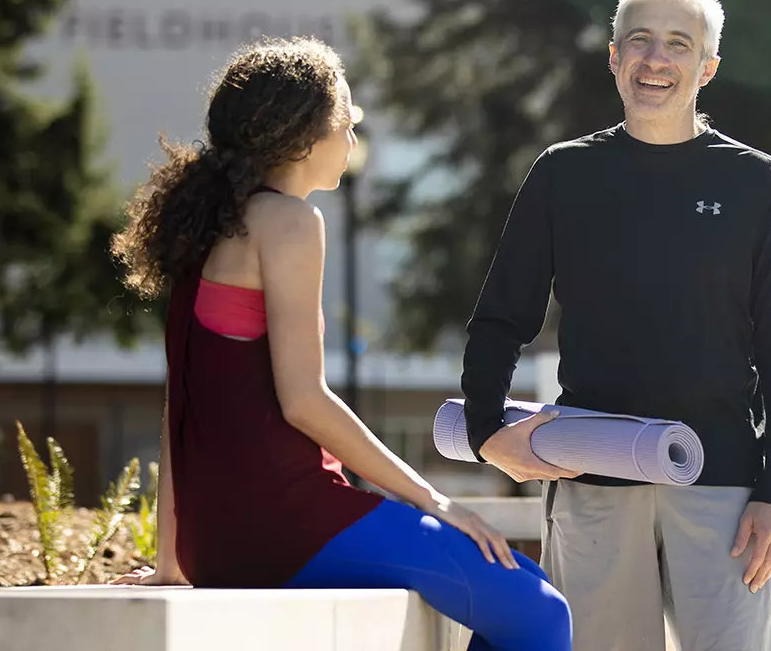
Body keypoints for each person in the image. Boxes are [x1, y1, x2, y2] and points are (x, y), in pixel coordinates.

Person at [107, 36, 571, 651]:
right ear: (302, 133)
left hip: (217, 541)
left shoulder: (214, 229)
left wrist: (173, 559)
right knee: (538, 611)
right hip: (289, 522)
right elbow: (304, 401)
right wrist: (436, 500)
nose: (354, 130)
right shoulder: (289, 222)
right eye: (345, 113)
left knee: (516, 591)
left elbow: (181, 406)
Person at [460, 0, 771, 651]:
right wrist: (486, 429)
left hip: (725, 486)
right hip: (592, 475)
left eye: (678, 46)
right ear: (614, 57)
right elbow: (501, 317)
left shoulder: (756, 182)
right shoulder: (563, 173)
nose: (657, 60)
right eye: (640, 42)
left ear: (707, 67)